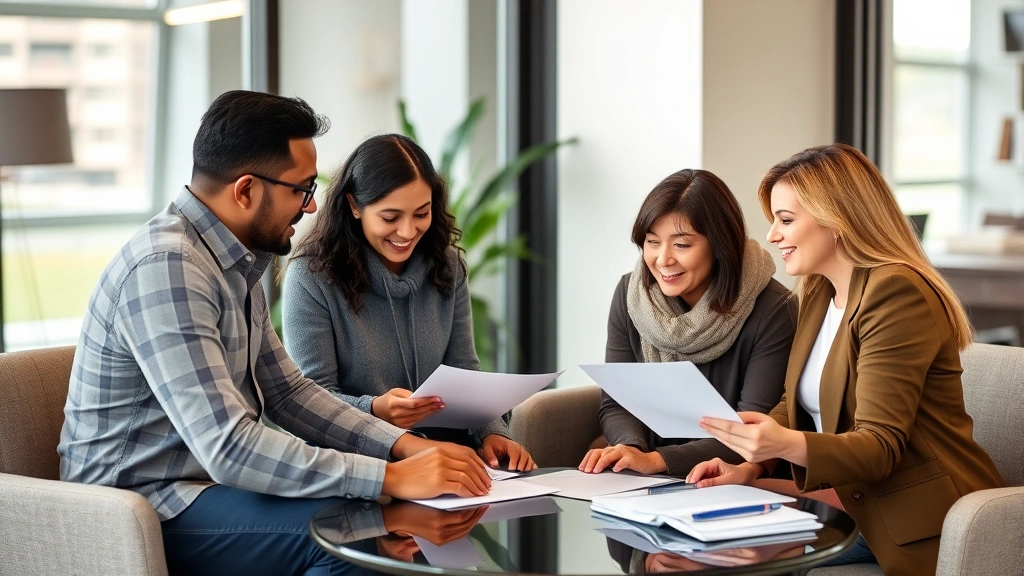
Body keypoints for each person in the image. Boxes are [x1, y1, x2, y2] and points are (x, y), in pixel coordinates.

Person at [58, 91, 492, 576]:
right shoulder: (169, 266)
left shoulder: (233, 261)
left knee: (386, 521)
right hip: (142, 505)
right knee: (355, 536)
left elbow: (287, 393)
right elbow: (229, 447)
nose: (310, 208)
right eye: (301, 190)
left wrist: (405, 445)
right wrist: (389, 474)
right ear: (245, 190)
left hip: (204, 488)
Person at [687, 144, 1005, 576]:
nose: (772, 236)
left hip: (915, 516)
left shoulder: (896, 292)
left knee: (714, 559)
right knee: (688, 544)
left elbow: (879, 447)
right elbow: (793, 404)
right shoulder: (820, 292)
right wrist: (749, 467)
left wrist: (779, 445)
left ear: (836, 218)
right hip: (853, 499)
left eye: (785, 220)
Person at [282, 133, 536, 471]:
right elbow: (311, 403)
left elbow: (465, 372)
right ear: (354, 206)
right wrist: (375, 409)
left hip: (450, 462)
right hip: (360, 466)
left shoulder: (447, 267)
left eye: (422, 213)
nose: (407, 231)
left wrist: (492, 432)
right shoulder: (312, 276)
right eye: (390, 217)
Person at [578, 169, 798, 477]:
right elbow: (616, 403)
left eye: (682, 245)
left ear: (721, 246)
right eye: (652, 242)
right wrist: (633, 450)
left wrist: (659, 460)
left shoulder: (773, 308)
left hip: (731, 474)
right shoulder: (631, 295)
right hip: (646, 472)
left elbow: (753, 429)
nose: (663, 259)